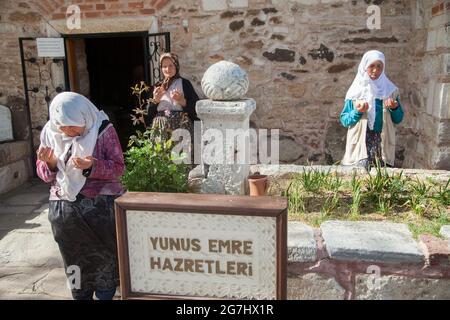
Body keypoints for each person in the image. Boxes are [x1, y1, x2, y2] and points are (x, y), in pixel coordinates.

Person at [36, 92, 125, 300]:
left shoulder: (103, 130)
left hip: (100, 212)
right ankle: (80, 295)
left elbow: (119, 168)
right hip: (65, 213)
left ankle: (105, 295)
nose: (68, 131)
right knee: (73, 261)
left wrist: (92, 166)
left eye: (73, 125)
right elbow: (44, 173)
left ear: (84, 116)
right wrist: (49, 164)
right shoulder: (50, 133)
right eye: (63, 126)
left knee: (105, 261)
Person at [340, 50, 404, 170]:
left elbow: (398, 119)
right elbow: (345, 120)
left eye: (379, 66)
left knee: (382, 179)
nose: (375, 70)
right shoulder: (355, 92)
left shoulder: (390, 91)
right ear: (364, 66)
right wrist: (357, 112)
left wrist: (394, 108)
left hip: (382, 143)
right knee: (359, 177)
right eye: (371, 66)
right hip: (360, 144)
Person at [146, 52, 200, 139]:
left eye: (171, 65)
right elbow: (148, 113)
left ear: (176, 66)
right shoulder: (157, 86)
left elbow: (196, 108)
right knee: (162, 152)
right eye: (164, 66)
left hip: (181, 127)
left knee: (182, 152)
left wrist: (182, 101)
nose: (168, 69)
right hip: (160, 128)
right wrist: (155, 101)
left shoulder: (184, 84)